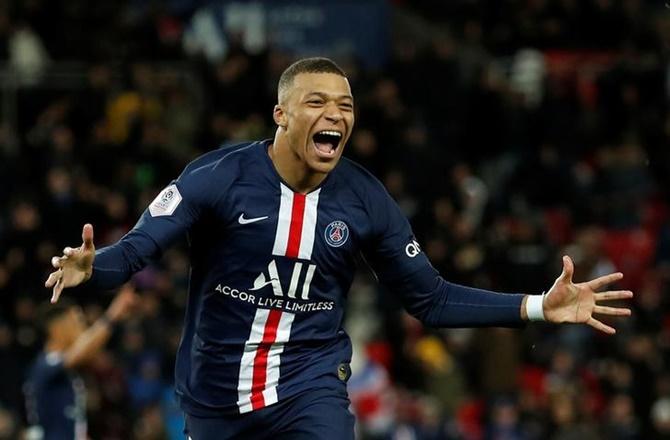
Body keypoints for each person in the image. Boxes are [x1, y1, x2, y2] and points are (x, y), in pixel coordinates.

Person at [45, 57, 632, 439]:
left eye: (346, 106)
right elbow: (134, 252)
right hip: (213, 398)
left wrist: (538, 306)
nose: (336, 115)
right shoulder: (217, 178)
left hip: (310, 384)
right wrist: (91, 269)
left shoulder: (367, 201)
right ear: (280, 114)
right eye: (318, 102)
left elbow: (429, 299)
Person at [24, 285, 137, 440]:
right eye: (77, 322)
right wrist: (113, 314)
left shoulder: (68, 372)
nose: (83, 330)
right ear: (58, 328)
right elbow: (80, 354)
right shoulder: (45, 365)